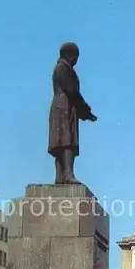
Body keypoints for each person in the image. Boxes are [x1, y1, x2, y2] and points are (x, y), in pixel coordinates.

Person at [49, 42, 97, 184]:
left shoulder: (63, 68)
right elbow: (72, 91)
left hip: (62, 107)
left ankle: (61, 176)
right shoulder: (63, 68)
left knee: (61, 143)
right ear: (69, 55)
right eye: (76, 56)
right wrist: (87, 111)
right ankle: (67, 174)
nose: (76, 60)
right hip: (64, 108)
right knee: (66, 142)